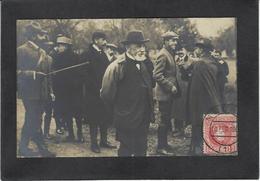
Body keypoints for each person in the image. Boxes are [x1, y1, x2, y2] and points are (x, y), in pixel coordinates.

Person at [101, 30, 155, 156]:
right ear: (127, 47)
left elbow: (151, 86)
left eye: (143, 45)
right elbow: (106, 94)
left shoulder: (145, 64)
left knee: (141, 149)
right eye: (137, 46)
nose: (142, 49)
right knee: (126, 150)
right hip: (125, 117)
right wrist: (119, 111)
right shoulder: (117, 66)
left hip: (143, 118)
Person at [178, 39, 223, 155]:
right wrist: (184, 66)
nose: (195, 50)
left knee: (198, 124)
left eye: (197, 48)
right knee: (204, 124)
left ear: (202, 50)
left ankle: (197, 150)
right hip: (209, 99)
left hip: (199, 100)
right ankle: (201, 147)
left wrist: (184, 65)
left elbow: (192, 80)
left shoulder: (201, 63)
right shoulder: (212, 61)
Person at [17, 22, 55, 157]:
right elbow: (16, 72)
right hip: (29, 93)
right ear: (33, 36)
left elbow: (47, 75)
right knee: (32, 119)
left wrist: (50, 91)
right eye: (41, 34)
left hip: (41, 93)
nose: (44, 37)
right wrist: (33, 74)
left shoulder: (43, 52)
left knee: (36, 119)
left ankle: (32, 147)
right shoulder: (21, 50)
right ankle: (31, 147)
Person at [80, 31, 116, 153]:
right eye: (102, 40)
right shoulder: (87, 54)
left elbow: (107, 71)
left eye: (105, 39)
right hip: (93, 93)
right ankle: (94, 143)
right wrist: (96, 87)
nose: (105, 42)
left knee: (104, 116)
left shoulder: (103, 53)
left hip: (104, 91)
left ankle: (104, 141)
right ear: (96, 40)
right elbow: (84, 75)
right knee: (94, 118)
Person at [153, 31, 180, 155]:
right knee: (164, 121)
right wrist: (170, 86)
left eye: (175, 40)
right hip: (164, 94)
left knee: (167, 119)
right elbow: (157, 75)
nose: (175, 42)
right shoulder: (163, 54)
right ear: (165, 41)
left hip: (169, 94)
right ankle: (160, 147)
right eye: (172, 40)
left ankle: (164, 144)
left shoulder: (169, 53)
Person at [52, 36, 84, 142]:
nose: (59, 47)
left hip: (74, 90)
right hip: (63, 91)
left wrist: (75, 83)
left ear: (67, 46)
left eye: (62, 45)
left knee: (77, 113)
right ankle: (71, 134)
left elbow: (80, 74)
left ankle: (80, 133)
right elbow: (54, 74)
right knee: (67, 113)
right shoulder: (57, 57)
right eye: (59, 45)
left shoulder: (76, 57)